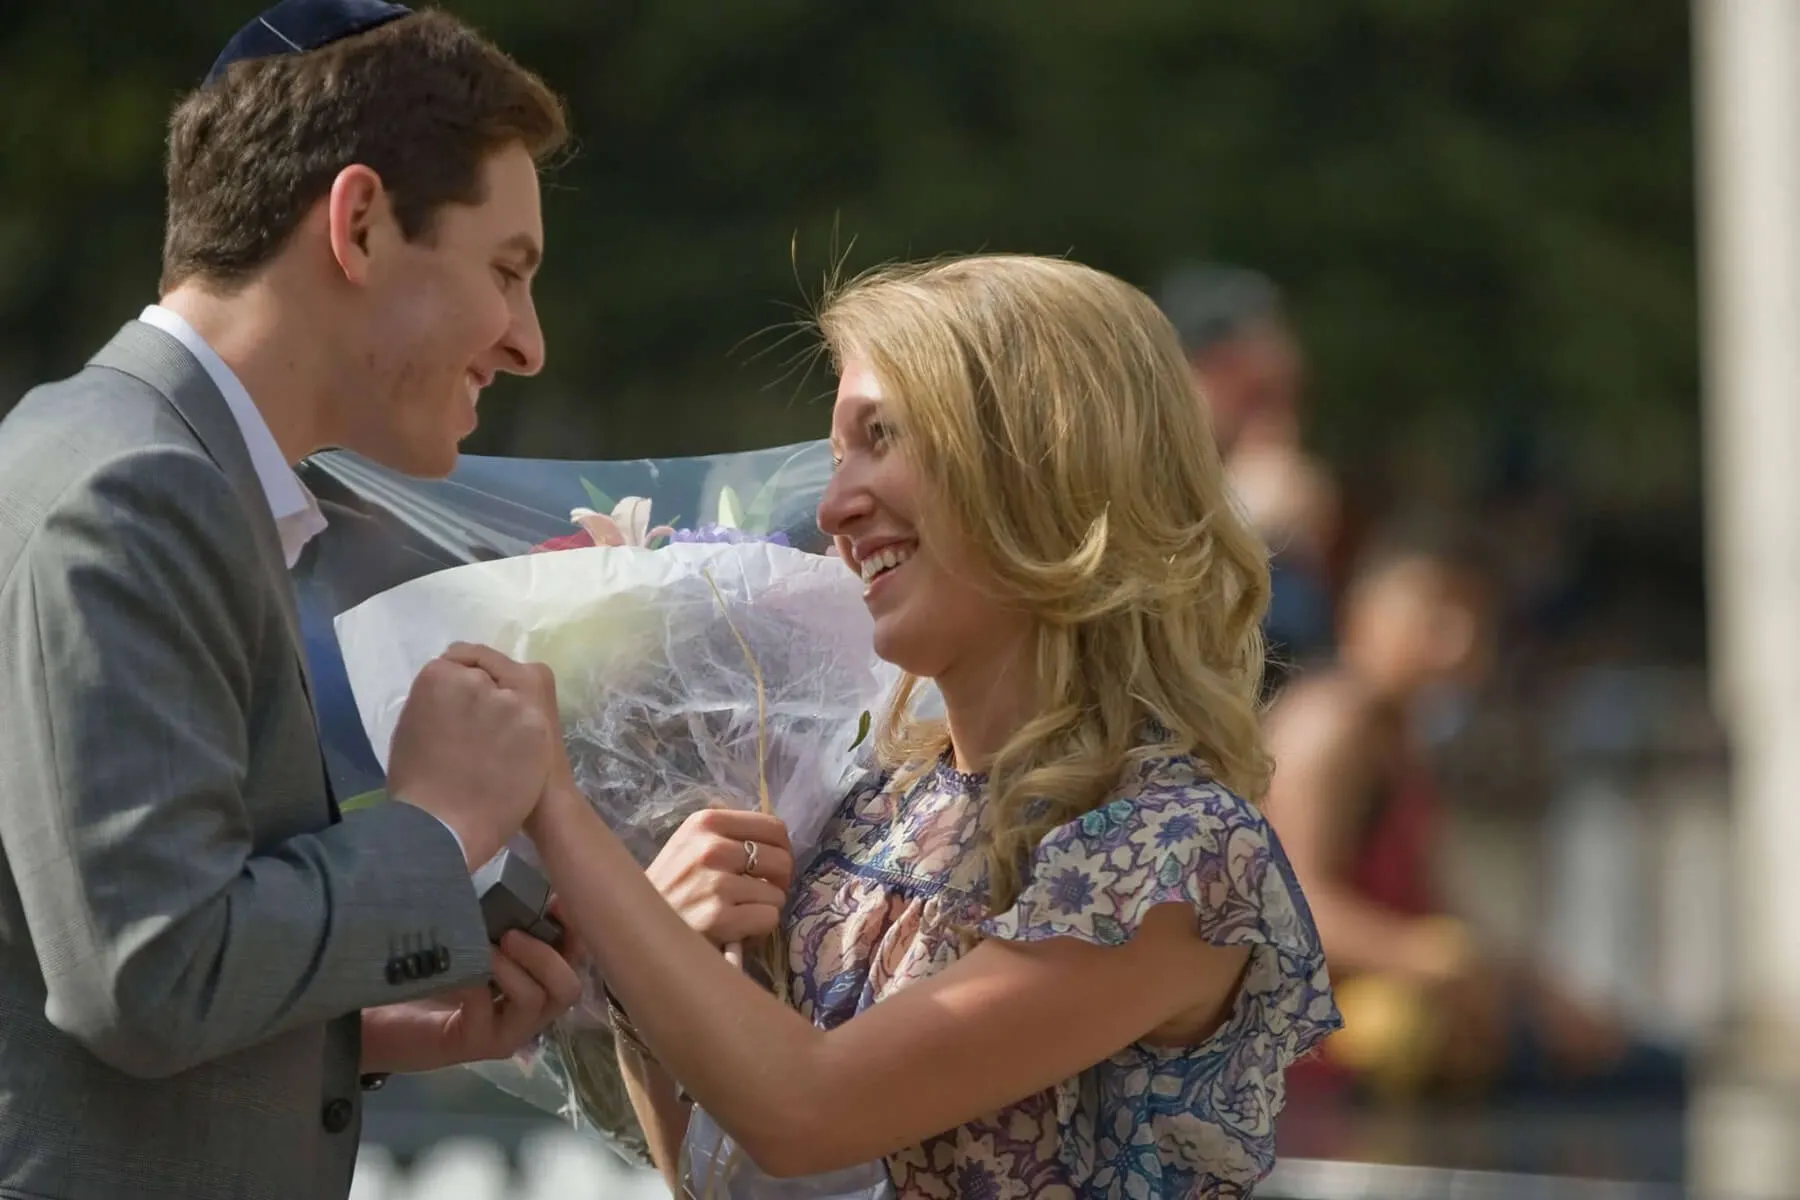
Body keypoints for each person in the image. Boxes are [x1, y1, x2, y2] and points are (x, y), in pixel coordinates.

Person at [493, 253, 1342, 1196]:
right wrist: (658, 967)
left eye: (882, 437)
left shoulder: (1175, 853)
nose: (834, 507)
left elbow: (806, 1113)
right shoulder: (874, 804)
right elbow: (719, 1171)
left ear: (1042, 461)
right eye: (838, 451)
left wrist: (555, 806)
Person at [0, 4, 582, 1197]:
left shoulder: (125, 458)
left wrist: (364, 1030)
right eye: (506, 271)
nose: (526, 341)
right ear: (360, 224)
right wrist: (437, 822)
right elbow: (147, 975)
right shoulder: (137, 490)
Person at [1261, 522, 1685, 1104]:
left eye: (1473, 621)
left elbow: (1433, 909)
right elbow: (1291, 906)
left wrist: (1530, 988)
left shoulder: (1399, 739)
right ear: (1362, 617)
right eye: (1436, 617)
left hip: (1422, 1023)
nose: (1459, 641)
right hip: (1329, 1052)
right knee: (1650, 1080)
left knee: (1639, 1058)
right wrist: (1433, 961)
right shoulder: (1331, 726)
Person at [1157, 263, 1339, 697]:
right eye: (1256, 395)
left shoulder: (1290, 492)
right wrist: (1240, 524)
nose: (1278, 422)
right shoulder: (1137, 479)